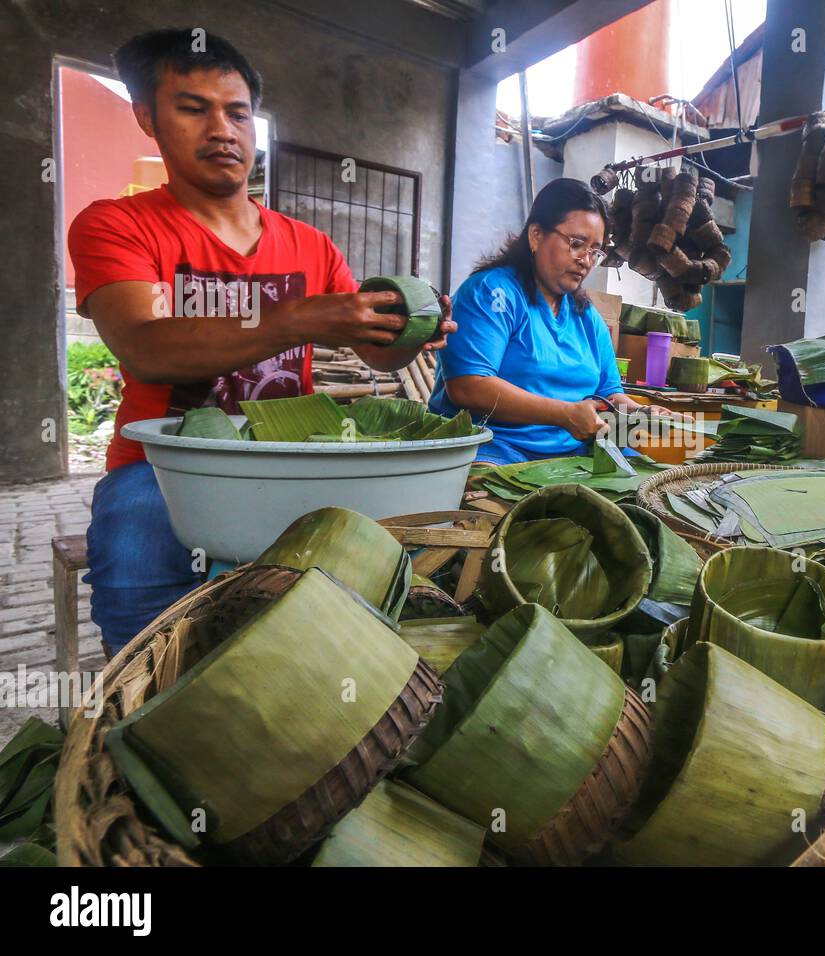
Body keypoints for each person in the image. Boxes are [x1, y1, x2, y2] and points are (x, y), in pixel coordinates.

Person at [68, 28, 457, 655]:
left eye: (238, 112)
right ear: (148, 117)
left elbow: (378, 353)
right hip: (162, 466)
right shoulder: (116, 224)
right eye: (193, 109)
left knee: (342, 596)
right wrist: (296, 317)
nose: (222, 129)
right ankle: (145, 715)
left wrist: (413, 331)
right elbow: (146, 347)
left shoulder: (311, 243)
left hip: (289, 454)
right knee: (137, 586)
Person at [429, 178, 676, 465]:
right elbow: (468, 386)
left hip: (574, 451)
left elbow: (609, 394)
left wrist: (641, 414)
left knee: (653, 487)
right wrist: (564, 414)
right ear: (536, 235)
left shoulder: (587, 317)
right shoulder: (492, 293)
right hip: (495, 447)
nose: (586, 260)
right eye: (576, 244)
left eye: (595, 251)